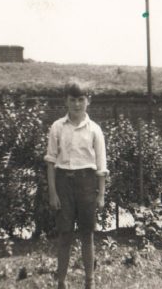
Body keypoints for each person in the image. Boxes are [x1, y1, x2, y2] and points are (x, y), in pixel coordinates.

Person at [44, 83, 109, 289]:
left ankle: (89, 280)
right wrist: (53, 193)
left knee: (87, 233)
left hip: (87, 183)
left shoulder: (95, 130)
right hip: (64, 183)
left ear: (88, 101)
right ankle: (61, 282)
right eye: (72, 100)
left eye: (81, 99)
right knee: (65, 234)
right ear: (66, 101)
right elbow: (51, 162)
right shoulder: (57, 127)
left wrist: (101, 194)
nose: (77, 104)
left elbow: (101, 164)